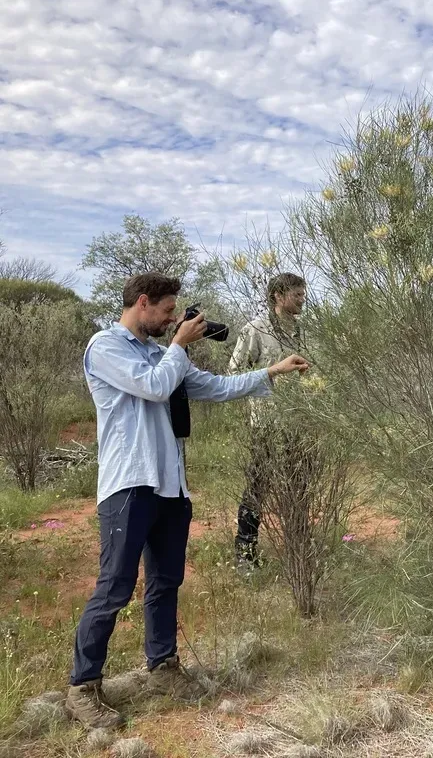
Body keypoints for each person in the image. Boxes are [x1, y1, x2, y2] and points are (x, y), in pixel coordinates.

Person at [66, 272, 308, 728]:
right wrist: (179, 344)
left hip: (170, 488)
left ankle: (162, 667)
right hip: (128, 486)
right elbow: (154, 386)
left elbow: (214, 387)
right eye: (167, 310)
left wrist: (270, 372)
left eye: (175, 312)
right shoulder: (106, 347)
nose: (172, 318)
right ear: (142, 303)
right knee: (115, 587)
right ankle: (83, 686)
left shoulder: (163, 354)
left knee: (165, 582)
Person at [228, 272, 306, 571]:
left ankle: (298, 550)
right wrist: (273, 372)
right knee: (258, 487)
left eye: (302, 293)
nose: (302, 299)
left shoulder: (303, 330)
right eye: (296, 294)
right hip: (266, 423)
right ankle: (245, 554)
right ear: (278, 296)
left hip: (299, 422)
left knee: (300, 486)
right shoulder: (255, 330)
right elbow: (233, 373)